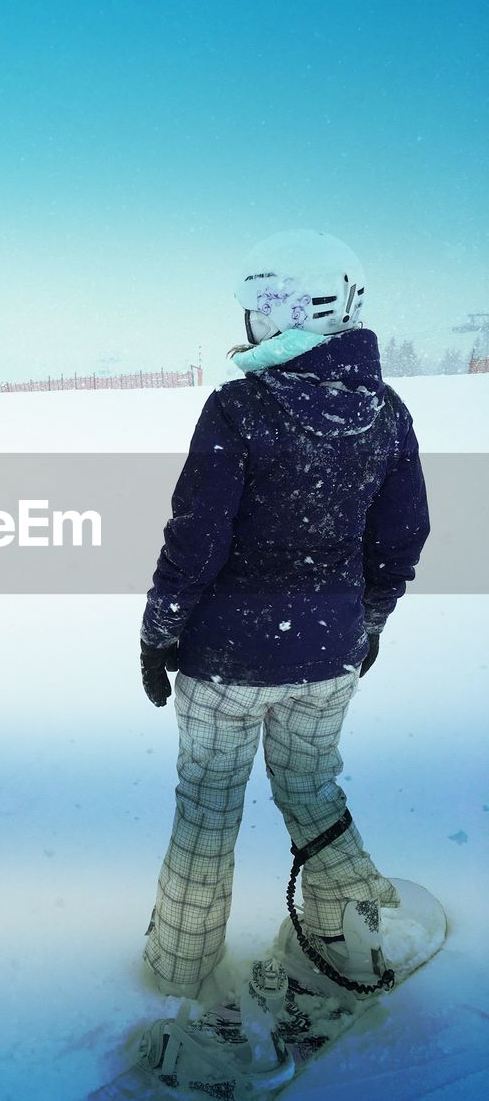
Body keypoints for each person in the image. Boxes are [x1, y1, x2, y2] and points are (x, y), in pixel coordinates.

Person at [138, 230, 429, 998]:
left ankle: (180, 967)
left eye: (252, 309)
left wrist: (157, 632)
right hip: (329, 657)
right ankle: (350, 926)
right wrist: (367, 625)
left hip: (226, 664)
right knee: (313, 791)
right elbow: (402, 538)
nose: (245, 324)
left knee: (206, 811)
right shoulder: (386, 411)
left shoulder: (239, 408)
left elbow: (195, 541)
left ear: (281, 313)